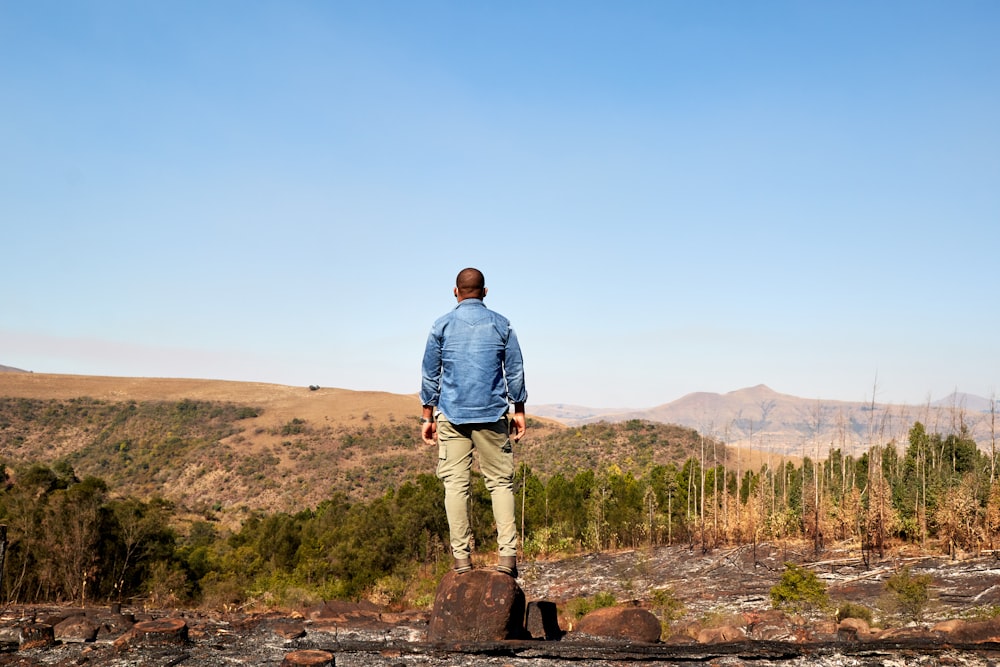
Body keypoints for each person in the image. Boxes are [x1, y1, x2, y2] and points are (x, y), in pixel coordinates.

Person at [420, 267, 527, 576]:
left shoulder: (441, 326)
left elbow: (430, 375)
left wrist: (427, 415)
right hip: (492, 415)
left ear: (456, 292)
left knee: (455, 486)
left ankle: (462, 561)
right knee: (500, 484)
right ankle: (507, 559)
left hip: (452, 416)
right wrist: (518, 409)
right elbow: (515, 371)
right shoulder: (501, 325)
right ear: (485, 291)